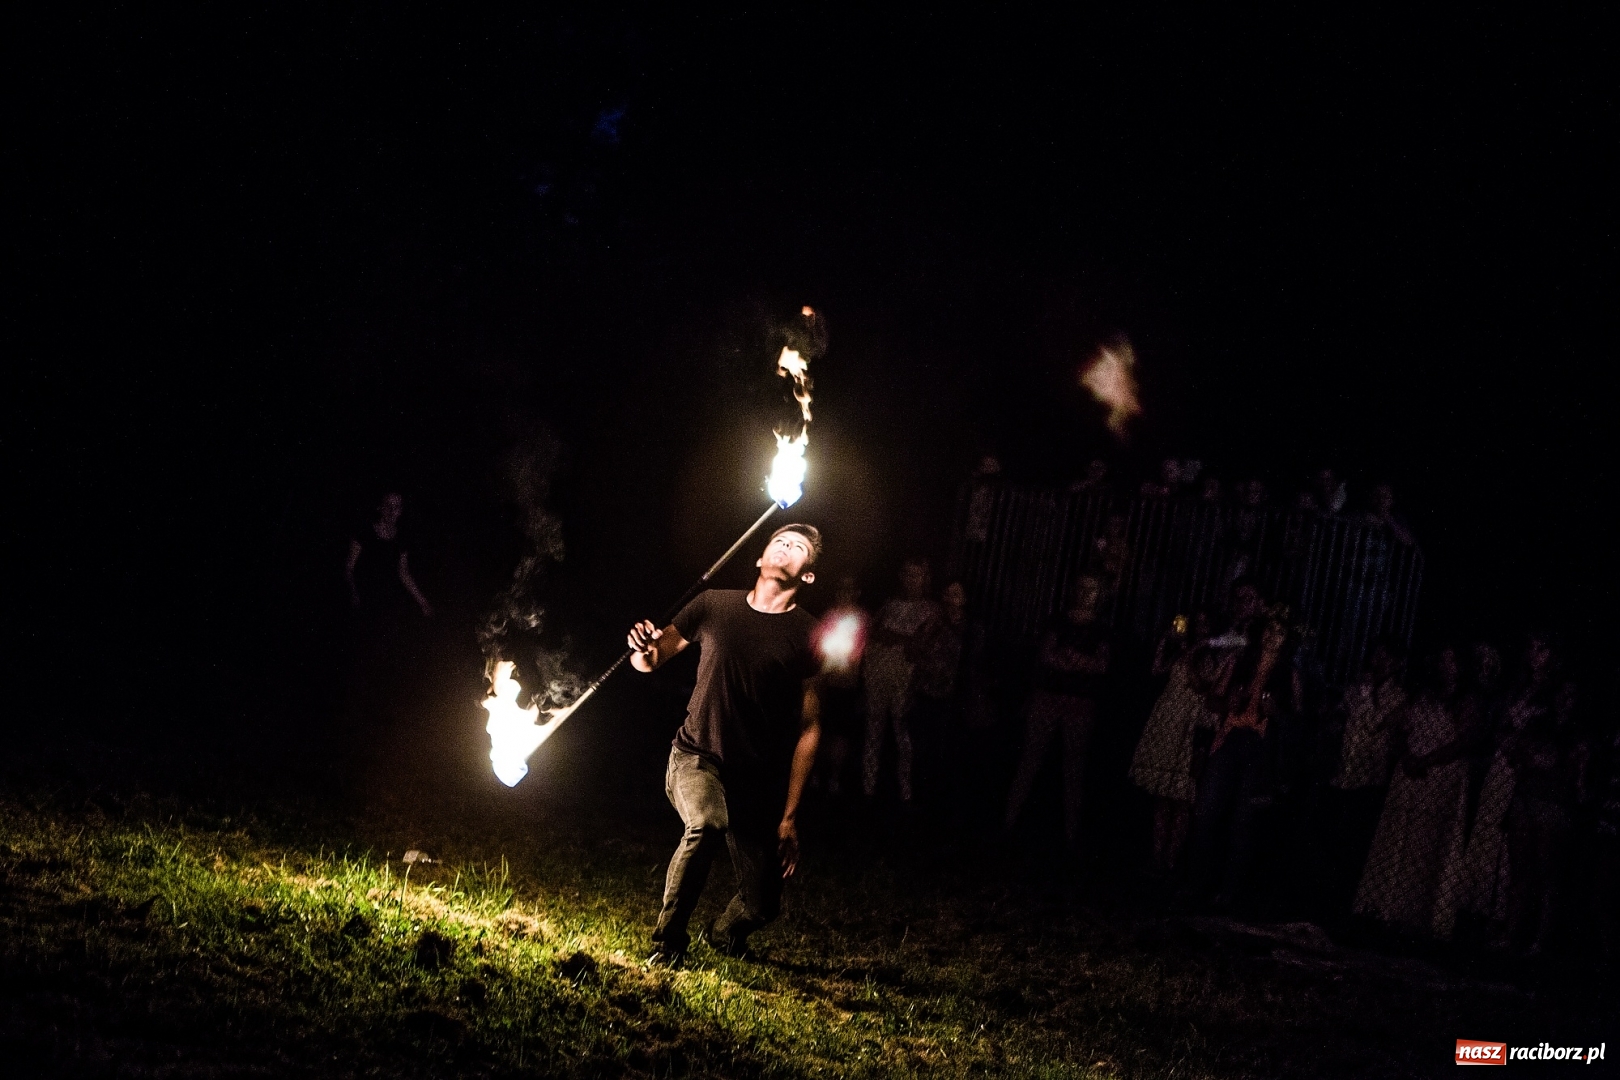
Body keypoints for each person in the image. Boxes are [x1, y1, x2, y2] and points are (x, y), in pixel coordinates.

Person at [629, 524, 825, 968]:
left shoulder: (808, 636)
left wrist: (789, 817)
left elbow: (811, 727)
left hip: (754, 780)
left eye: (799, 547)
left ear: (808, 575)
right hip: (696, 757)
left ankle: (724, 933)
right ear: (760, 558)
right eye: (779, 541)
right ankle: (668, 944)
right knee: (707, 823)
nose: (786, 546)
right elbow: (652, 659)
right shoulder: (713, 604)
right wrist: (641, 648)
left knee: (763, 903)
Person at [1353, 648, 1471, 938]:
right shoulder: (1424, 694)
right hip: (1410, 773)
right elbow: (1400, 727)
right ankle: (1384, 905)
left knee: (1425, 843)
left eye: (1451, 660)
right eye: (1442, 659)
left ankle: (1414, 912)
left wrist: (1425, 760)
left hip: (1439, 777)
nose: (1445, 665)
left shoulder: (1468, 701)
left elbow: (1464, 741)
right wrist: (1407, 754)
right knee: (1397, 837)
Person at [1187, 607, 1292, 911]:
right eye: (1269, 630)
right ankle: (1195, 885)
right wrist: (1227, 702)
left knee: (1242, 822)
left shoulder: (1288, 674)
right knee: (1206, 812)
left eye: (1279, 632)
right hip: (1230, 739)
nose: (1272, 637)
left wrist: (1277, 714)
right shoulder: (1239, 662)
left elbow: (1296, 720)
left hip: (1258, 746)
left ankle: (1228, 892)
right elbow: (1213, 699)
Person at [1004, 575, 1111, 853]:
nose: (1085, 593)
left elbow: (1101, 665)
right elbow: (1046, 655)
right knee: (1029, 759)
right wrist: (1079, 662)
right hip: (1048, 698)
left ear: (1099, 594)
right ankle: (1008, 823)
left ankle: (1071, 836)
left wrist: (1071, 658)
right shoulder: (1058, 621)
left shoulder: (1101, 629)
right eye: (1081, 587)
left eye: (1091, 588)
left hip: (1079, 704)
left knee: (1074, 768)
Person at [1323, 639, 1408, 910]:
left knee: (1356, 838)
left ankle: (1348, 897)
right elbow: (1339, 714)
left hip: (1370, 773)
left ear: (1395, 664)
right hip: (1345, 769)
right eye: (1376, 656)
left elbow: (1375, 723)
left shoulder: (1398, 696)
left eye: (1385, 657)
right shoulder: (1358, 687)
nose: (1378, 662)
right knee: (1335, 835)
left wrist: (1364, 698)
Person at [1129, 612, 1216, 874]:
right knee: (1162, 795)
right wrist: (1165, 642)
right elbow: (1157, 670)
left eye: (1205, 624)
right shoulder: (1183, 651)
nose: (1199, 629)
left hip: (1188, 724)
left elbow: (1200, 685)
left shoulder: (1210, 657)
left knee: (1181, 798)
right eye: (1196, 624)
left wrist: (1193, 653)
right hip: (1167, 721)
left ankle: (1171, 860)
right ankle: (1156, 856)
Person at [861, 558, 941, 806]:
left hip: (905, 676)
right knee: (873, 730)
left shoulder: (931, 609)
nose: (911, 580)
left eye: (916, 575)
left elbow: (920, 644)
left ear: (925, 579)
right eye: (907, 574)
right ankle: (868, 787)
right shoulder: (890, 604)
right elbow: (872, 630)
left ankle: (906, 790)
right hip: (878, 671)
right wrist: (900, 638)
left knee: (902, 731)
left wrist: (894, 638)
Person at [907, 580, 968, 809]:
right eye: (947, 593)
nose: (950, 599)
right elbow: (911, 650)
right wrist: (928, 665)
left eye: (956, 594)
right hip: (927, 692)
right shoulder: (934, 623)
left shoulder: (970, 628)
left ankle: (941, 799)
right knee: (923, 747)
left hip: (954, 697)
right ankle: (921, 798)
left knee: (946, 749)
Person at [810, 575, 869, 797]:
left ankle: (834, 777)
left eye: (849, 590)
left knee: (840, 733)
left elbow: (860, 652)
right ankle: (815, 773)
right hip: (824, 679)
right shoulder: (829, 616)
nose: (844, 595)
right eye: (841, 590)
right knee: (820, 728)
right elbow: (816, 643)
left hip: (846, 683)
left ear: (856, 593)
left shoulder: (862, 618)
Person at [346, 491, 433, 619]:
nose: (392, 511)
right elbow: (349, 568)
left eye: (397, 507)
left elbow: (403, 572)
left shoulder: (401, 537)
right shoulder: (364, 533)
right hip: (365, 599)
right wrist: (353, 593)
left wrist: (423, 602)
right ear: (380, 507)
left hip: (388, 600)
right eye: (388, 505)